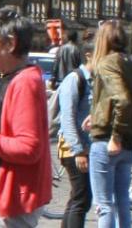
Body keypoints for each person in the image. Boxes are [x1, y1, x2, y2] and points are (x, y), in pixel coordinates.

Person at [0, 8, 53, 228]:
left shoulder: (24, 82)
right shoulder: (12, 78)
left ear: (10, 43)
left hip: (10, 199)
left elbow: (28, 148)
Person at [88, 20, 132, 228]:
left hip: (108, 141)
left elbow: (122, 100)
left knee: (104, 204)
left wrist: (115, 135)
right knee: (122, 200)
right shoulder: (130, 63)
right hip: (129, 142)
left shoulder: (107, 63)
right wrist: (95, 115)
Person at [54, 27, 97, 228]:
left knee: (79, 198)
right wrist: (78, 150)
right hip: (73, 147)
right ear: (89, 55)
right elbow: (68, 118)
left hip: (86, 145)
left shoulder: (95, 80)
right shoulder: (75, 79)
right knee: (82, 198)